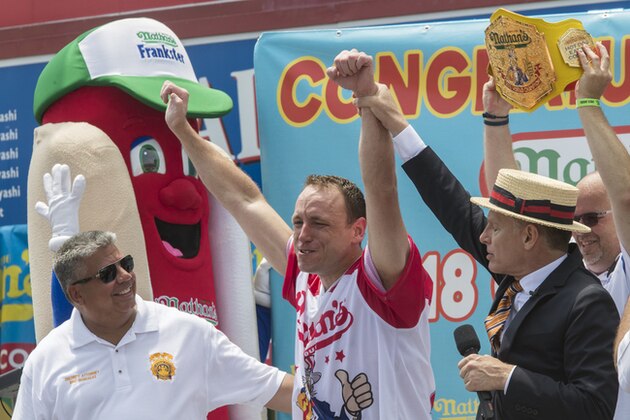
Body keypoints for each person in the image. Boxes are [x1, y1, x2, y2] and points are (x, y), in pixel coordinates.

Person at [159, 48, 435, 419]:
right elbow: (244, 198)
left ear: (358, 231)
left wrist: (365, 97)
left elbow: (381, 189)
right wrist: (182, 131)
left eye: (319, 223)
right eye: (298, 222)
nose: (303, 235)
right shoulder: (306, 277)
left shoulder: (381, 279)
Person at [354, 54, 619, 417]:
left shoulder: (586, 301)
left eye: (494, 227)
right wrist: (398, 125)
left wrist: (507, 376)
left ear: (529, 237)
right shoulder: (519, 276)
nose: (483, 236)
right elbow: (451, 204)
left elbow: (595, 407)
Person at [481, 42, 630, 419]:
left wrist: (588, 103)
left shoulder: (624, 272)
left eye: (592, 218)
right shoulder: (565, 270)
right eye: (572, 222)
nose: (580, 232)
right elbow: (510, 211)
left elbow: (626, 194)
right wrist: (496, 118)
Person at [12, 230, 293, 419]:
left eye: (127, 264)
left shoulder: (188, 332)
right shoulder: (45, 361)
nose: (125, 276)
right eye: (108, 273)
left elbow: (273, 388)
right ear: (76, 294)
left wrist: (334, 396)